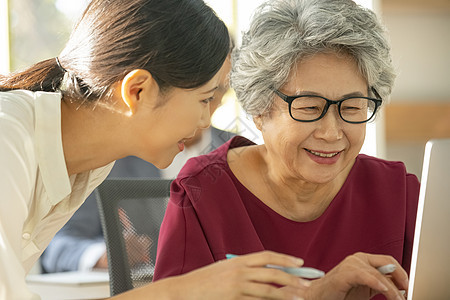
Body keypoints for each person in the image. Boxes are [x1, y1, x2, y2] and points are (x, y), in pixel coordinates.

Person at [0, 0, 312, 299]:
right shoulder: (8, 138)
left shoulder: (92, 162)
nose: (206, 120)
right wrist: (185, 290)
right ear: (138, 91)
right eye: (204, 99)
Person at [153, 0, 418, 299]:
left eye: (353, 107)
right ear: (259, 109)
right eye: (309, 108)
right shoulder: (204, 194)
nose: (331, 133)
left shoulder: (401, 193)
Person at [40, 57, 236, 273]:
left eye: (216, 94)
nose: (205, 116)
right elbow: (57, 246)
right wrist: (105, 254)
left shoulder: (238, 155)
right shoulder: (109, 153)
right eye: (203, 97)